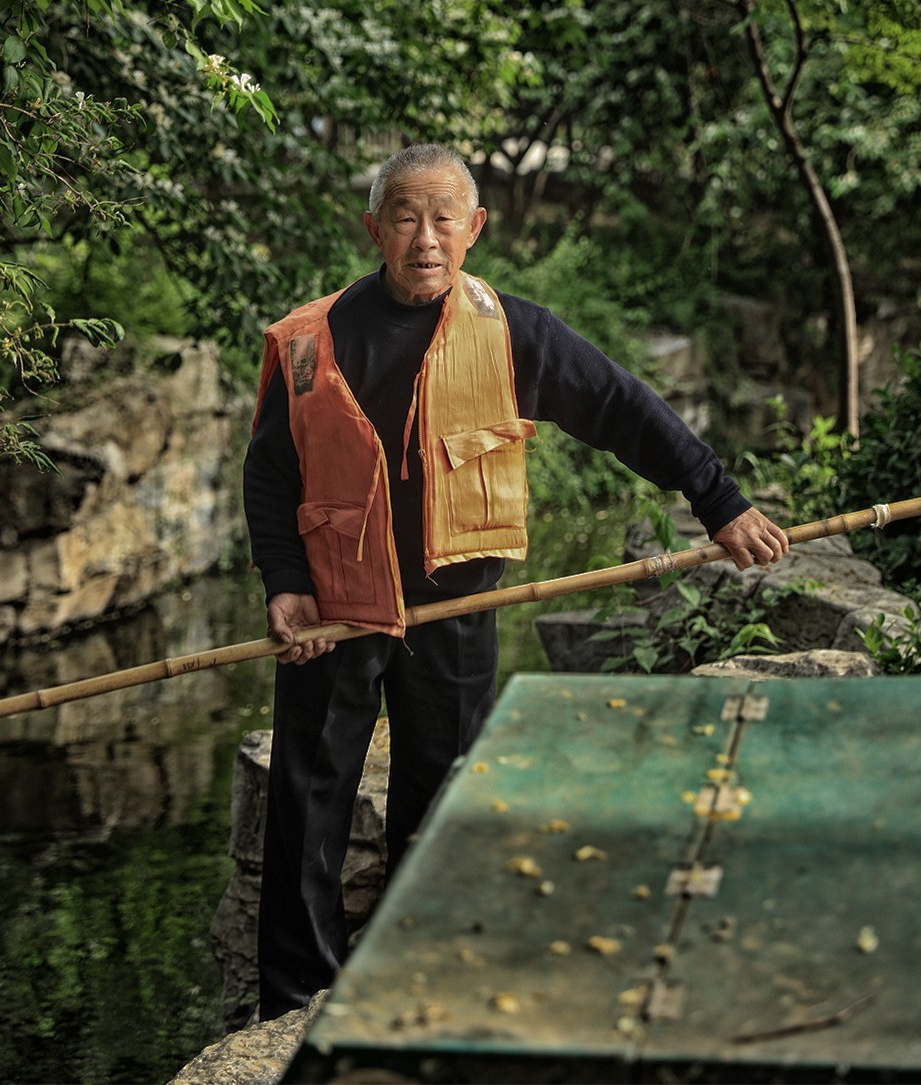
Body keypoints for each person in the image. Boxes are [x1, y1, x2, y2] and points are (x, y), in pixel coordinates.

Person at [242, 143, 788, 1020]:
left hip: (458, 605)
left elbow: (623, 407)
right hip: (334, 606)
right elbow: (269, 473)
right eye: (407, 218)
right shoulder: (309, 341)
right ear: (373, 228)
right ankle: (295, 995)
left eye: (445, 218)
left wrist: (717, 501)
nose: (426, 237)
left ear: (475, 229)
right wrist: (284, 582)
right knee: (307, 800)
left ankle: (426, 970)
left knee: (446, 788)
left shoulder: (512, 331)